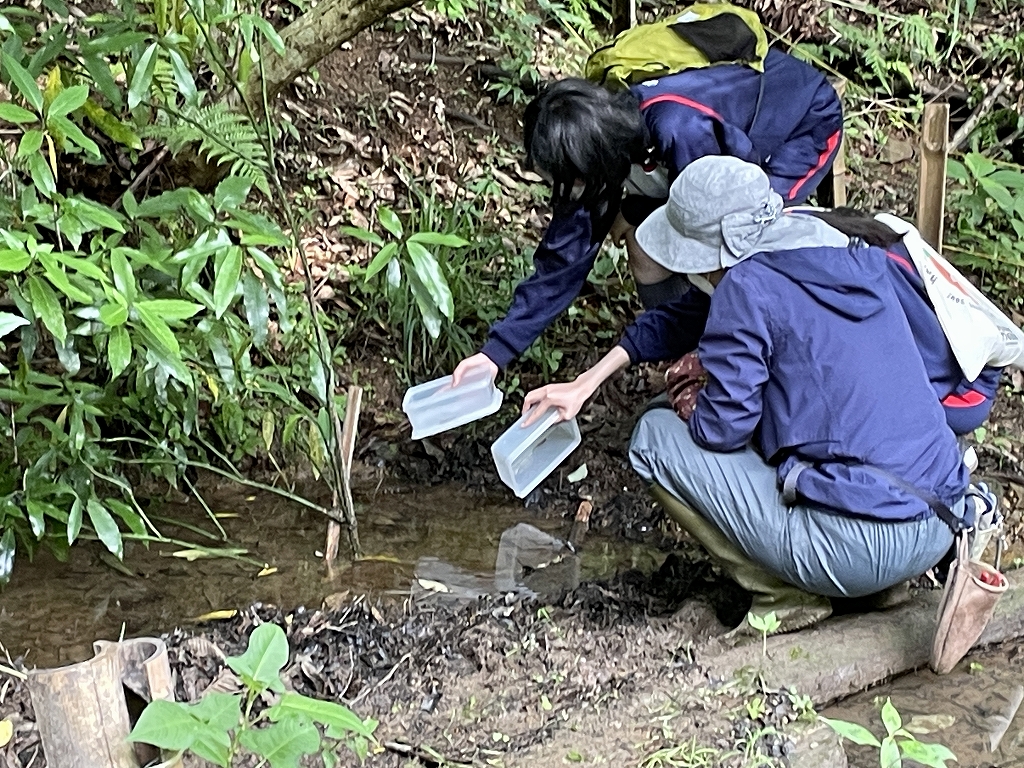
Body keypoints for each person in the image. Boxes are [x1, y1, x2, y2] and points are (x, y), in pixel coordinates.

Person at [521, 156, 983, 633]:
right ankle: (883, 589)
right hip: (937, 522)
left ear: (709, 249)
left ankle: (782, 593)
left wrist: (691, 394)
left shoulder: (745, 286)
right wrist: (589, 380)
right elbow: (686, 317)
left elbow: (723, 429)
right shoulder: (843, 250)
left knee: (654, 435)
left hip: (860, 549)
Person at [451, 7, 843, 387]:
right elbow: (563, 259)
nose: (565, 192)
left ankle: (754, 363)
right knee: (642, 244)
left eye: (567, 181)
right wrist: (494, 354)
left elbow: (731, 217)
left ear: (589, 163)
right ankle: (688, 351)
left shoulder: (678, 128)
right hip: (709, 149)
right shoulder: (596, 142)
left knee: (745, 249)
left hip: (800, 124)